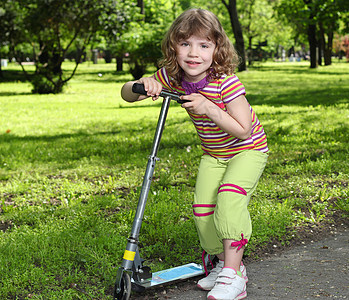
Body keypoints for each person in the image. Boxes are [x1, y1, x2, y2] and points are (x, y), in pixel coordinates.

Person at [121, 8, 268, 300]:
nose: (193, 53)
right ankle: (222, 263)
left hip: (247, 150)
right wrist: (143, 84)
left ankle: (234, 274)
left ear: (217, 49)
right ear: (173, 46)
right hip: (214, 153)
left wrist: (209, 108)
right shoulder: (173, 76)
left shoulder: (226, 81)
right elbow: (127, 93)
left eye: (203, 45)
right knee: (203, 211)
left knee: (229, 200)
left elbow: (244, 130)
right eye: (185, 43)